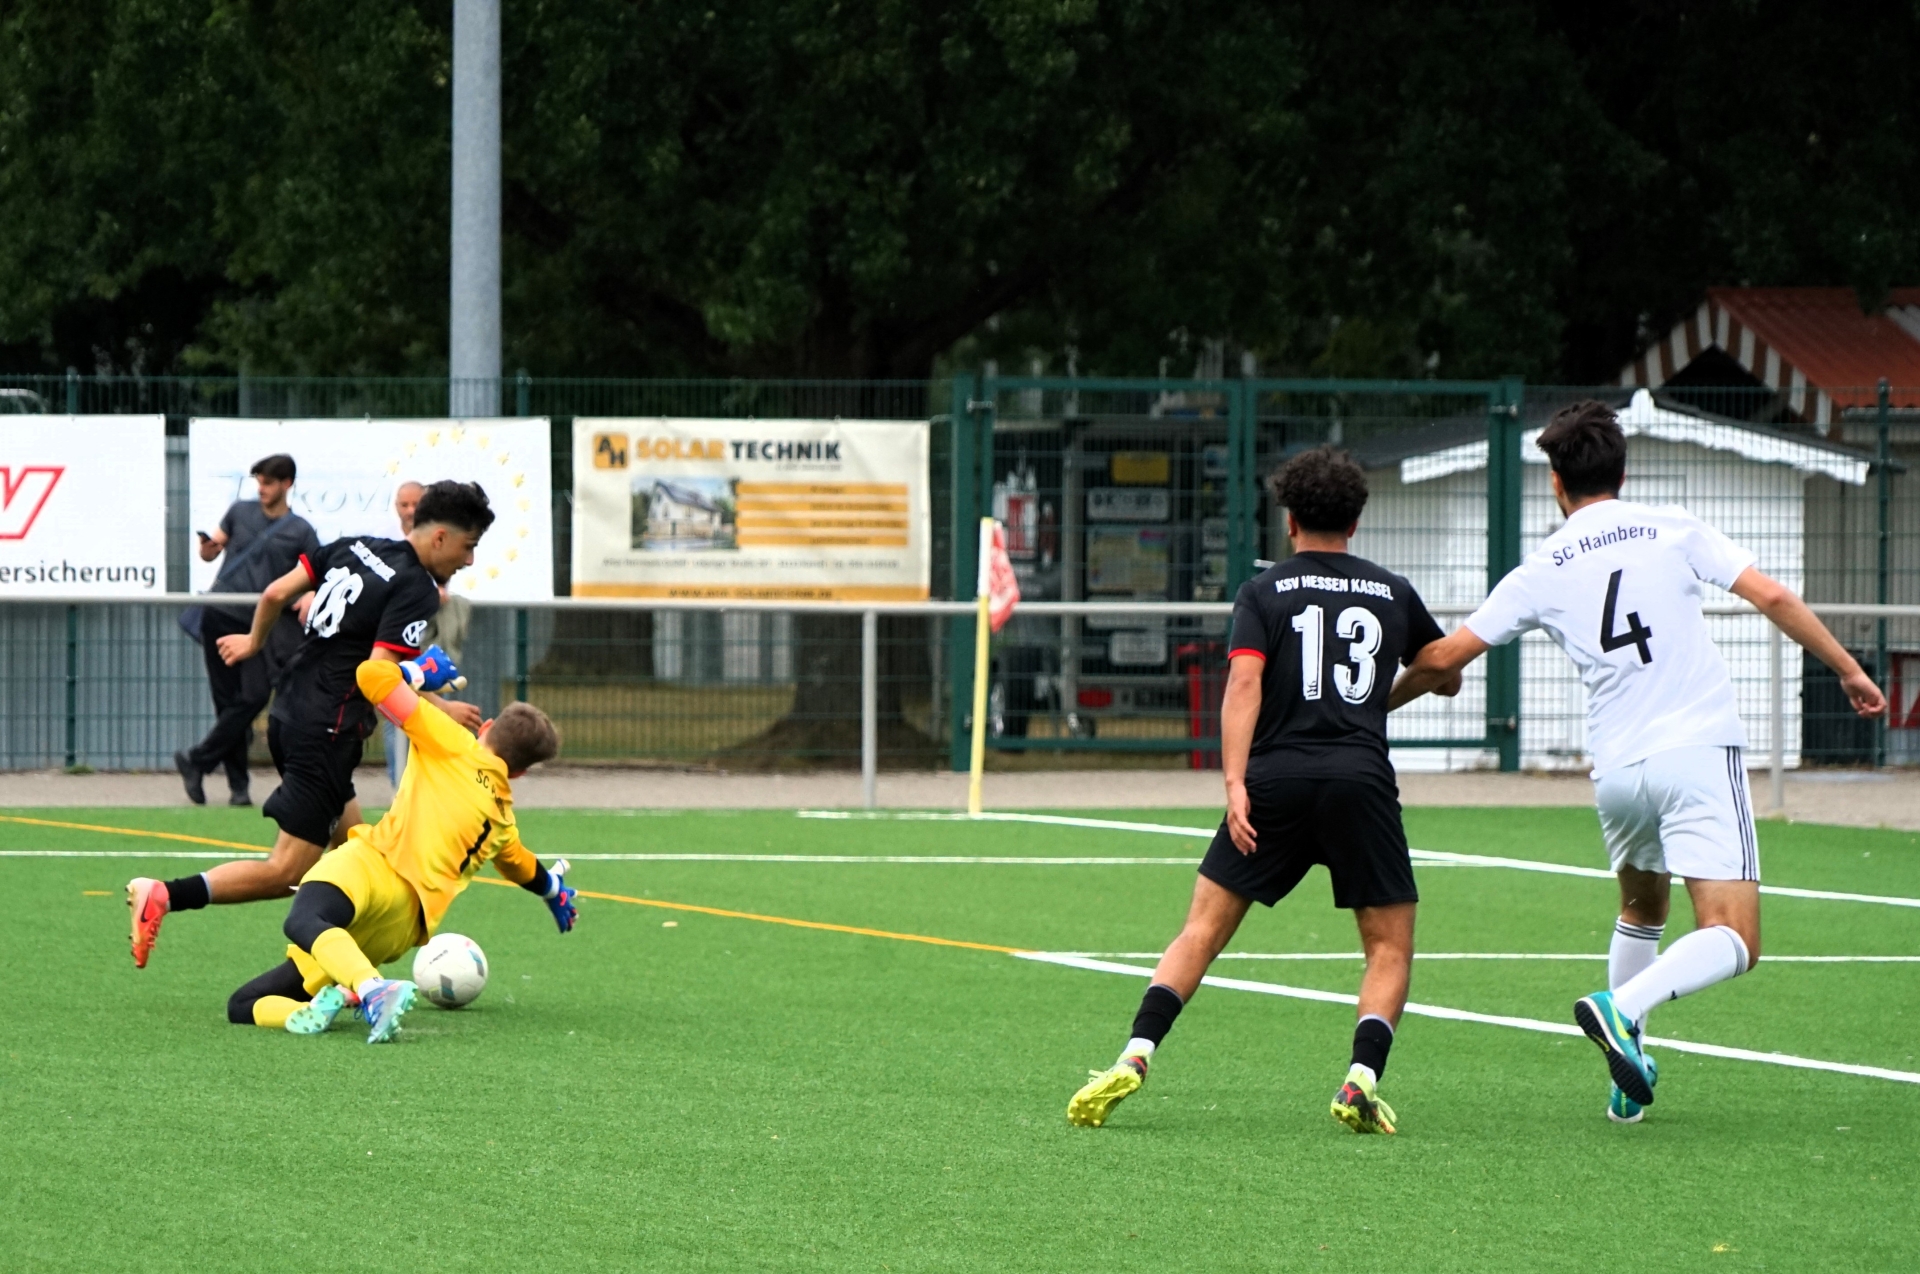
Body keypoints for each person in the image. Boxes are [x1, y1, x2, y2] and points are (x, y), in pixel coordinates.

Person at [1390, 400, 1886, 1122]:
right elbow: (1773, 595)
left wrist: (1369, 711)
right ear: (1622, 473)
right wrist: (1848, 668)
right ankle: (1621, 1009)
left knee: (1642, 909)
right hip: (1696, 752)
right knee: (1736, 936)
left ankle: (1627, 1079)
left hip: (1619, 771)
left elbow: (1441, 659)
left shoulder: (1541, 567)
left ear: (1556, 482)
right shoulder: (1671, 526)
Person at [1066, 446, 1454, 1135]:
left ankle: (1136, 1053)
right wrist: (1382, 701)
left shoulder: (1263, 592)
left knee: (1201, 931)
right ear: (1356, 522)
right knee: (1388, 947)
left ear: (1289, 520)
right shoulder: (1393, 591)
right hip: (1360, 782)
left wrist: (1234, 782)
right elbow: (1444, 671)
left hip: (1274, 780)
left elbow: (1244, 682)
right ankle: (1360, 1079)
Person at [126, 480, 496, 969]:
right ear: (441, 537)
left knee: (358, 848)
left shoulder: (356, 546)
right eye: (469, 546)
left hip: (291, 710)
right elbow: (379, 678)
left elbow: (275, 593)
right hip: (325, 731)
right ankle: (164, 895)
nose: (469, 560)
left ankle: (349, 970)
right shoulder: (416, 589)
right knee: (287, 872)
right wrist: (434, 701)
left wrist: (254, 642)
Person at [226, 656, 572, 1042]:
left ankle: (372, 989)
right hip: (400, 927)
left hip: (377, 867)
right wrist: (552, 889)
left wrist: (418, 672)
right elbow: (520, 865)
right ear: (519, 772)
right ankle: (317, 1007)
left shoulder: (453, 741)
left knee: (304, 919)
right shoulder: (502, 818)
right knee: (243, 1003)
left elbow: (369, 675)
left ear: (486, 727)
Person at [177, 454, 320, 807]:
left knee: (254, 696)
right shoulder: (239, 511)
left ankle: (197, 760)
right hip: (220, 615)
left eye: (268, 482)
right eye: (258, 481)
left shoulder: (301, 530)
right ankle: (238, 789)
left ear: (287, 484)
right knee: (226, 702)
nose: (261, 489)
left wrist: (309, 594)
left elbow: (317, 573)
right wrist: (207, 548)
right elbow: (212, 551)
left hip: (261, 624)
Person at [379, 481, 474, 788]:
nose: (409, 511)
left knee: (434, 717)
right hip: (396, 651)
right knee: (396, 714)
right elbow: (383, 669)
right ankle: (402, 789)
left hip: (427, 651)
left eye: (415, 504)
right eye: (403, 504)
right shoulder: (387, 547)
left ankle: (430, 790)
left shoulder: (438, 554)